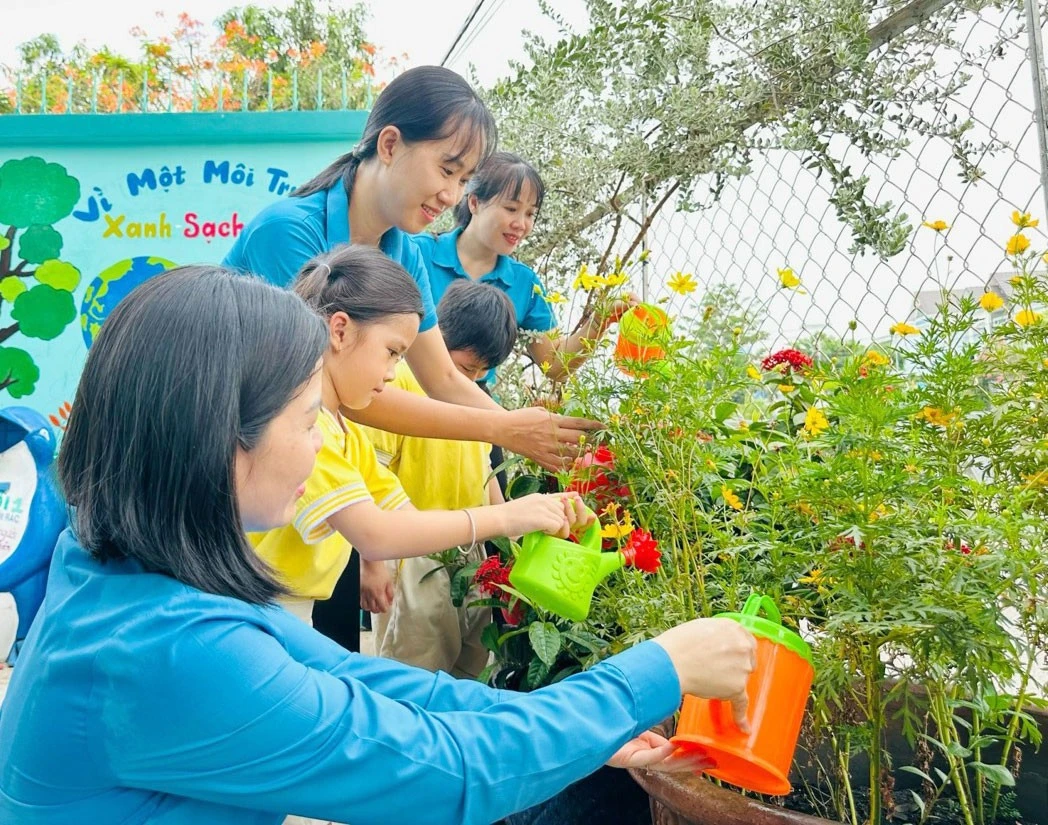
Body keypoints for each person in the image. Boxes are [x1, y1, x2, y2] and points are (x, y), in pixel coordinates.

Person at [0, 263, 759, 825]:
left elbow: (381, 688)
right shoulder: (171, 652)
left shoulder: (118, 568)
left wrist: (597, 732)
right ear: (221, 443)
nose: (315, 445)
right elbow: (457, 773)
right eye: (306, 422)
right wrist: (660, 669)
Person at [223, 65, 598, 473]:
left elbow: (444, 379)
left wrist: (531, 431)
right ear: (389, 145)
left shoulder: (403, 254)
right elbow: (339, 388)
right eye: (447, 170)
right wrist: (502, 427)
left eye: (464, 180)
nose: (450, 194)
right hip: (227, 457)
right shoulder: (291, 233)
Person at [250, 246, 589, 652]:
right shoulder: (308, 427)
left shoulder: (345, 430)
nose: (393, 373)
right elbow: (376, 535)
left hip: (289, 615)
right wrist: (506, 516)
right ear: (339, 331)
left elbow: (405, 519)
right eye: (392, 352)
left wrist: (529, 515)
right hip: (263, 613)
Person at [360, 280, 518, 677]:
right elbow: (369, 475)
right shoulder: (400, 386)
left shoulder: (476, 401)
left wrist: (511, 545)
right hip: (415, 550)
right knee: (414, 667)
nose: (474, 377)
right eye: (466, 367)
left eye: (484, 371)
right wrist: (372, 563)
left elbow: (487, 474)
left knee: (471, 662)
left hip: (471, 548)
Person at [415, 151, 637, 385]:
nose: (521, 224)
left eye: (530, 214)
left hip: (472, 403)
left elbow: (554, 365)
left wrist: (600, 320)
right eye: (511, 208)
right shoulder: (418, 253)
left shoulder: (524, 283)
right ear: (474, 202)